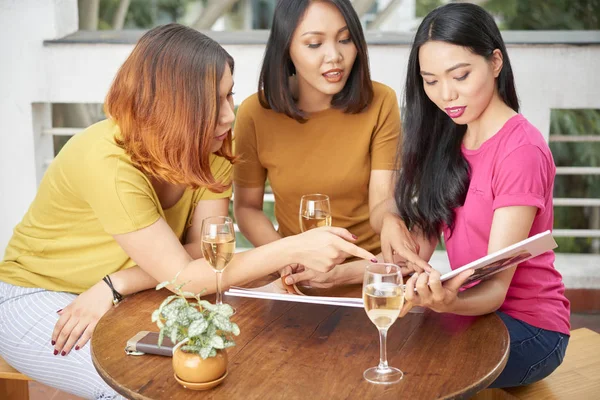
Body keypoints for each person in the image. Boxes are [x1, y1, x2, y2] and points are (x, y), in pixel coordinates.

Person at [0, 24, 375, 399]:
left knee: (222, 364)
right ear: (172, 105)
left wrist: (119, 283)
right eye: (215, 102)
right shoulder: (107, 163)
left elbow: (201, 256)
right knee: (137, 385)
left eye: (230, 96)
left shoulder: (213, 150)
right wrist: (291, 248)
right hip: (36, 292)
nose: (230, 116)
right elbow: (187, 277)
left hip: (126, 294)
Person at [380, 3, 570, 388]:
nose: (446, 94)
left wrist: (445, 302)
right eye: (430, 81)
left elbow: (495, 290)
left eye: (460, 75)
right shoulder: (451, 135)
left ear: (495, 62)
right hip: (470, 312)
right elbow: (420, 246)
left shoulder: (521, 151)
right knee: (379, 350)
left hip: (529, 328)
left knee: (418, 375)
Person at [233, 0, 407, 288]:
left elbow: (382, 201)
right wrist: (286, 257)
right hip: (295, 274)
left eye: (345, 39)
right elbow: (247, 208)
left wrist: (391, 220)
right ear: (286, 48)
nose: (335, 56)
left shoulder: (381, 102)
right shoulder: (255, 112)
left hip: (368, 274)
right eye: (314, 44)